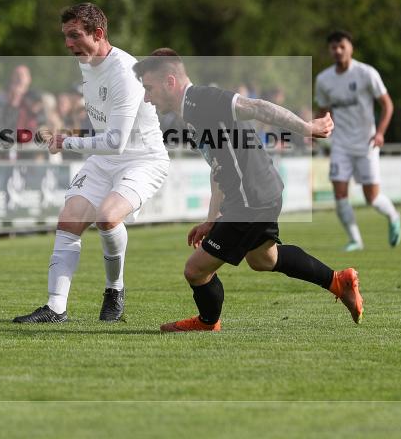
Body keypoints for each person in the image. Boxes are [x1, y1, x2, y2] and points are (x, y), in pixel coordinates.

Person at [132, 48, 362, 332]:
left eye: (149, 88)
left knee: (195, 270)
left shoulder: (201, 99)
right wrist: (211, 219)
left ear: (170, 82)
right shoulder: (190, 113)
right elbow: (218, 168)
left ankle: (208, 321)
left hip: (251, 199)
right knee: (264, 259)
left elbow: (258, 106)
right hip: (259, 193)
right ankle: (339, 281)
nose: (147, 98)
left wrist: (305, 127)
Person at [13, 3, 170, 324]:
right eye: (65, 36)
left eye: (74, 36)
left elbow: (116, 141)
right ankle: (56, 308)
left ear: (98, 34)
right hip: (104, 159)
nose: (68, 44)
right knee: (68, 221)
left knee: (107, 218)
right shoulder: (87, 62)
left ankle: (115, 289)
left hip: (142, 159)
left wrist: (65, 142)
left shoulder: (125, 73)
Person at [315, 30, 401, 251]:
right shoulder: (324, 80)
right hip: (340, 145)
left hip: (366, 143)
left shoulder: (366, 73)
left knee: (371, 198)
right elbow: (323, 111)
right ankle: (355, 240)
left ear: (350, 48)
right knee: (339, 194)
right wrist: (314, 132)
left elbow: (387, 105)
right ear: (330, 50)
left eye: (342, 46)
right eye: (333, 47)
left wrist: (380, 132)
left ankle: (393, 215)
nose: (338, 51)